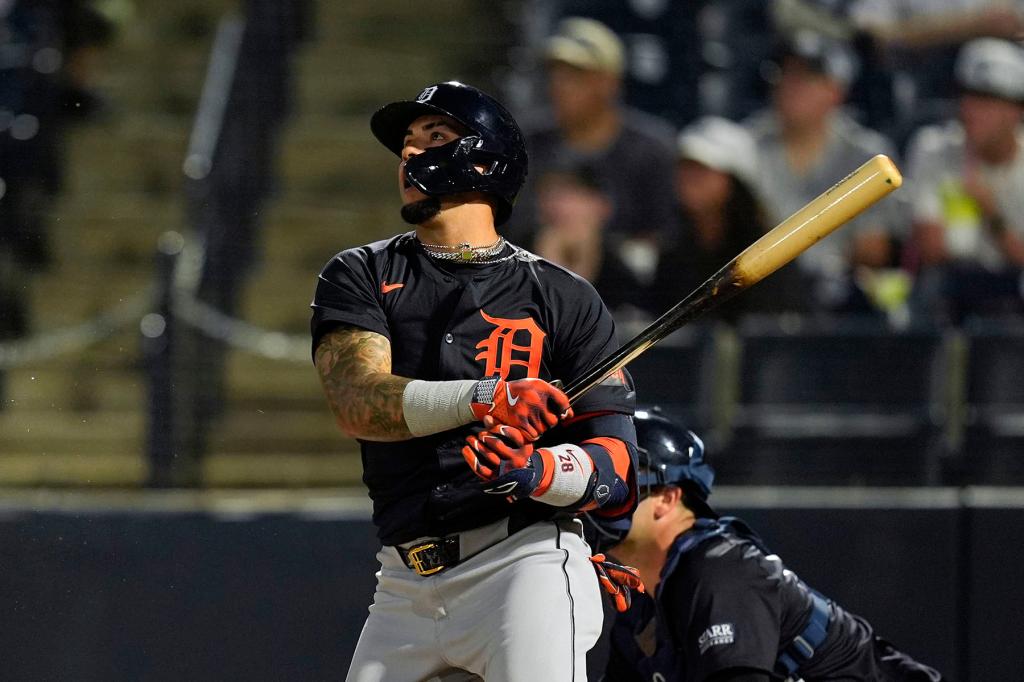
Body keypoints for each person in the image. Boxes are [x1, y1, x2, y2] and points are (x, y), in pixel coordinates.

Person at [310, 80, 639, 682]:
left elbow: (617, 472)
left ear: (486, 160)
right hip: (404, 581)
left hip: (523, 566)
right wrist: (491, 396)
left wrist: (531, 470)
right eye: (406, 143)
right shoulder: (361, 272)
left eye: (434, 138)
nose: (409, 155)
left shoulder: (565, 298)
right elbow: (357, 400)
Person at [595, 408, 945, 682]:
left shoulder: (718, 571)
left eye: (621, 484)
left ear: (668, 498)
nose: (600, 499)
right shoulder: (640, 611)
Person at [511, 17, 679, 287]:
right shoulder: (527, 143)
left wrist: (596, 242)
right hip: (530, 287)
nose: (559, 85)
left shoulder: (650, 151)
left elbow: (664, 237)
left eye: (575, 75)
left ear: (608, 82)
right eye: (555, 74)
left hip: (629, 295)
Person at [746, 30, 904, 315]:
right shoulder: (746, 144)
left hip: (840, 298)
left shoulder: (865, 154)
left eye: (806, 78)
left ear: (835, 90)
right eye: (786, 74)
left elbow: (874, 248)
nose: (791, 86)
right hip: (760, 294)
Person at [904, 38, 1024, 324]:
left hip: (1013, 295)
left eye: (987, 100)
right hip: (953, 291)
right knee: (935, 288)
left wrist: (990, 211)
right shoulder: (934, 149)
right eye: (968, 96)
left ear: (1016, 110)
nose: (971, 110)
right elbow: (932, 249)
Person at [649, 116, 807, 322]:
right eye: (686, 167)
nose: (690, 178)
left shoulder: (770, 253)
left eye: (703, 169)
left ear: (736, 181)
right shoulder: (674, 250)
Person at [531, 160, 647, 318]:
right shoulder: (513, 259)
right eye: (553, 196)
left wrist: (585, 260)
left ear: (603, 207)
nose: (562, 208)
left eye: (575, 197)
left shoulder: (621, 270)